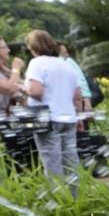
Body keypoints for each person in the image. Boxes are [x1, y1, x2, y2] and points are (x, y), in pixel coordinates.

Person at [23, 30, 83, 190]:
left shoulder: (36, 63)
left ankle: (59, 204)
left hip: (45, 118)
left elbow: (36, 92)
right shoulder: (66, 64)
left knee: (52, 164)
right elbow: (78, 95)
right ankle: (76, 201)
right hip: (69, 118)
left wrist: (23, 88)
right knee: (71, 162)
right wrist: (80, 118)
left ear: (33, 47)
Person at [58, 44, 92, 112]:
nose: (67, 55)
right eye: (64, 53)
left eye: (67, 52)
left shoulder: (68, 61)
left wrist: (87, 103)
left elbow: (81, 82)